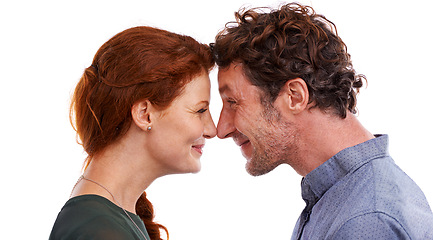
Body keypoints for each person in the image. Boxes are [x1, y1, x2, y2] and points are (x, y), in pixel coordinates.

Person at [212, 2, 433, 239]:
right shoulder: (341, 199)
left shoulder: (366, 220)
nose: (221, 129)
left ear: (294, 96)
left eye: (233, 102)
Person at [49, 26, 216, 240]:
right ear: (145, 114)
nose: (212, 129)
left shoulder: (106, 218)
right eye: (200, 110)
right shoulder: (99, 231)